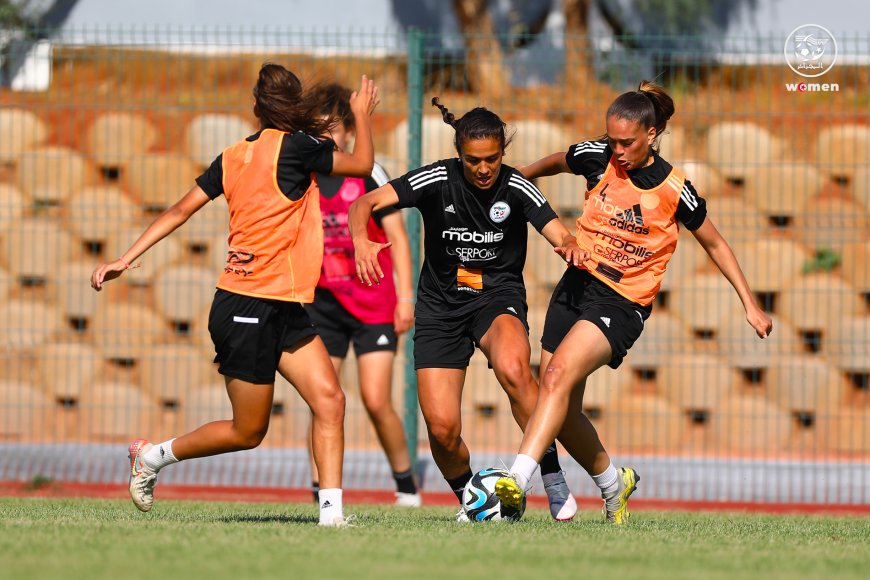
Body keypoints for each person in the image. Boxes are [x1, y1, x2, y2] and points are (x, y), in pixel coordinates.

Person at [90, 64, 379, 527]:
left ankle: (332, 517)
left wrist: (125, 257)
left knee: (330, 400)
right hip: (248, 304)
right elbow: (362, 166)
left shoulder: (232, 155)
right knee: (248, 431)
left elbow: (179, 209)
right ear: (294, 105)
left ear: (256, 109)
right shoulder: (298, 148)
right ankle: (151, 457)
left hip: (280, 304)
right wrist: (362, 114)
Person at [493, 80, 773, 524]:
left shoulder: (675, 189)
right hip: (576, 285)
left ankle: (516, 480)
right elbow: (557, 161)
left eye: (627, 142)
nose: (617, 150)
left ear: (652, 135)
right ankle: (613, 484)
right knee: (562, 409)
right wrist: (519, 177)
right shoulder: (596, 156)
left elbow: (716, 245)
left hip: (622, 302)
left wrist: (750, 304)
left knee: (556, 374)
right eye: (612, 140)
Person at [350, 98, 585, 522]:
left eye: (492, 159)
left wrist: (566, 243)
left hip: (496, 299)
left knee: (515, 369)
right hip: (440, 308)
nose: (483, 169)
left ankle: (551, 477)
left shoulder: (516, 187)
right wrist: (360, 240)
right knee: (441, 430)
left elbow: (556, 229)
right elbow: (361, 205)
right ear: (460, 155)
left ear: (502, 153)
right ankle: (473, 499)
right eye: (474, 160)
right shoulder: (435, 179)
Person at [304, 83, 420, 507]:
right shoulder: (306, 174)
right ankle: (322, 491)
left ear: (349, 131)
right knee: (322, 398)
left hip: (373, 305)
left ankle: (406, 483)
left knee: (375, 400)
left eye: (331, 128)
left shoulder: (368, 173)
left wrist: (406, 298)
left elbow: (399, 238)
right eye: (317, 128)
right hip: (323, 305)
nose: (325, 137)